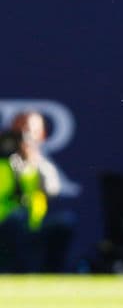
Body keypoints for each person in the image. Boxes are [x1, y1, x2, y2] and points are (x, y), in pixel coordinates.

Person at [0, 110, 74, 272]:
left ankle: (50, 276)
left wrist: (31, 160)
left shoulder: (41, 164)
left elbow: (52, 189)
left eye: (29, 132)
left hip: (31, 229)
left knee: (65, 223)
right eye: (20, 131)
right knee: (13, 223)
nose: (24, 137)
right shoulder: (2, 161)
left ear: (41, 135)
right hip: (4, 228)